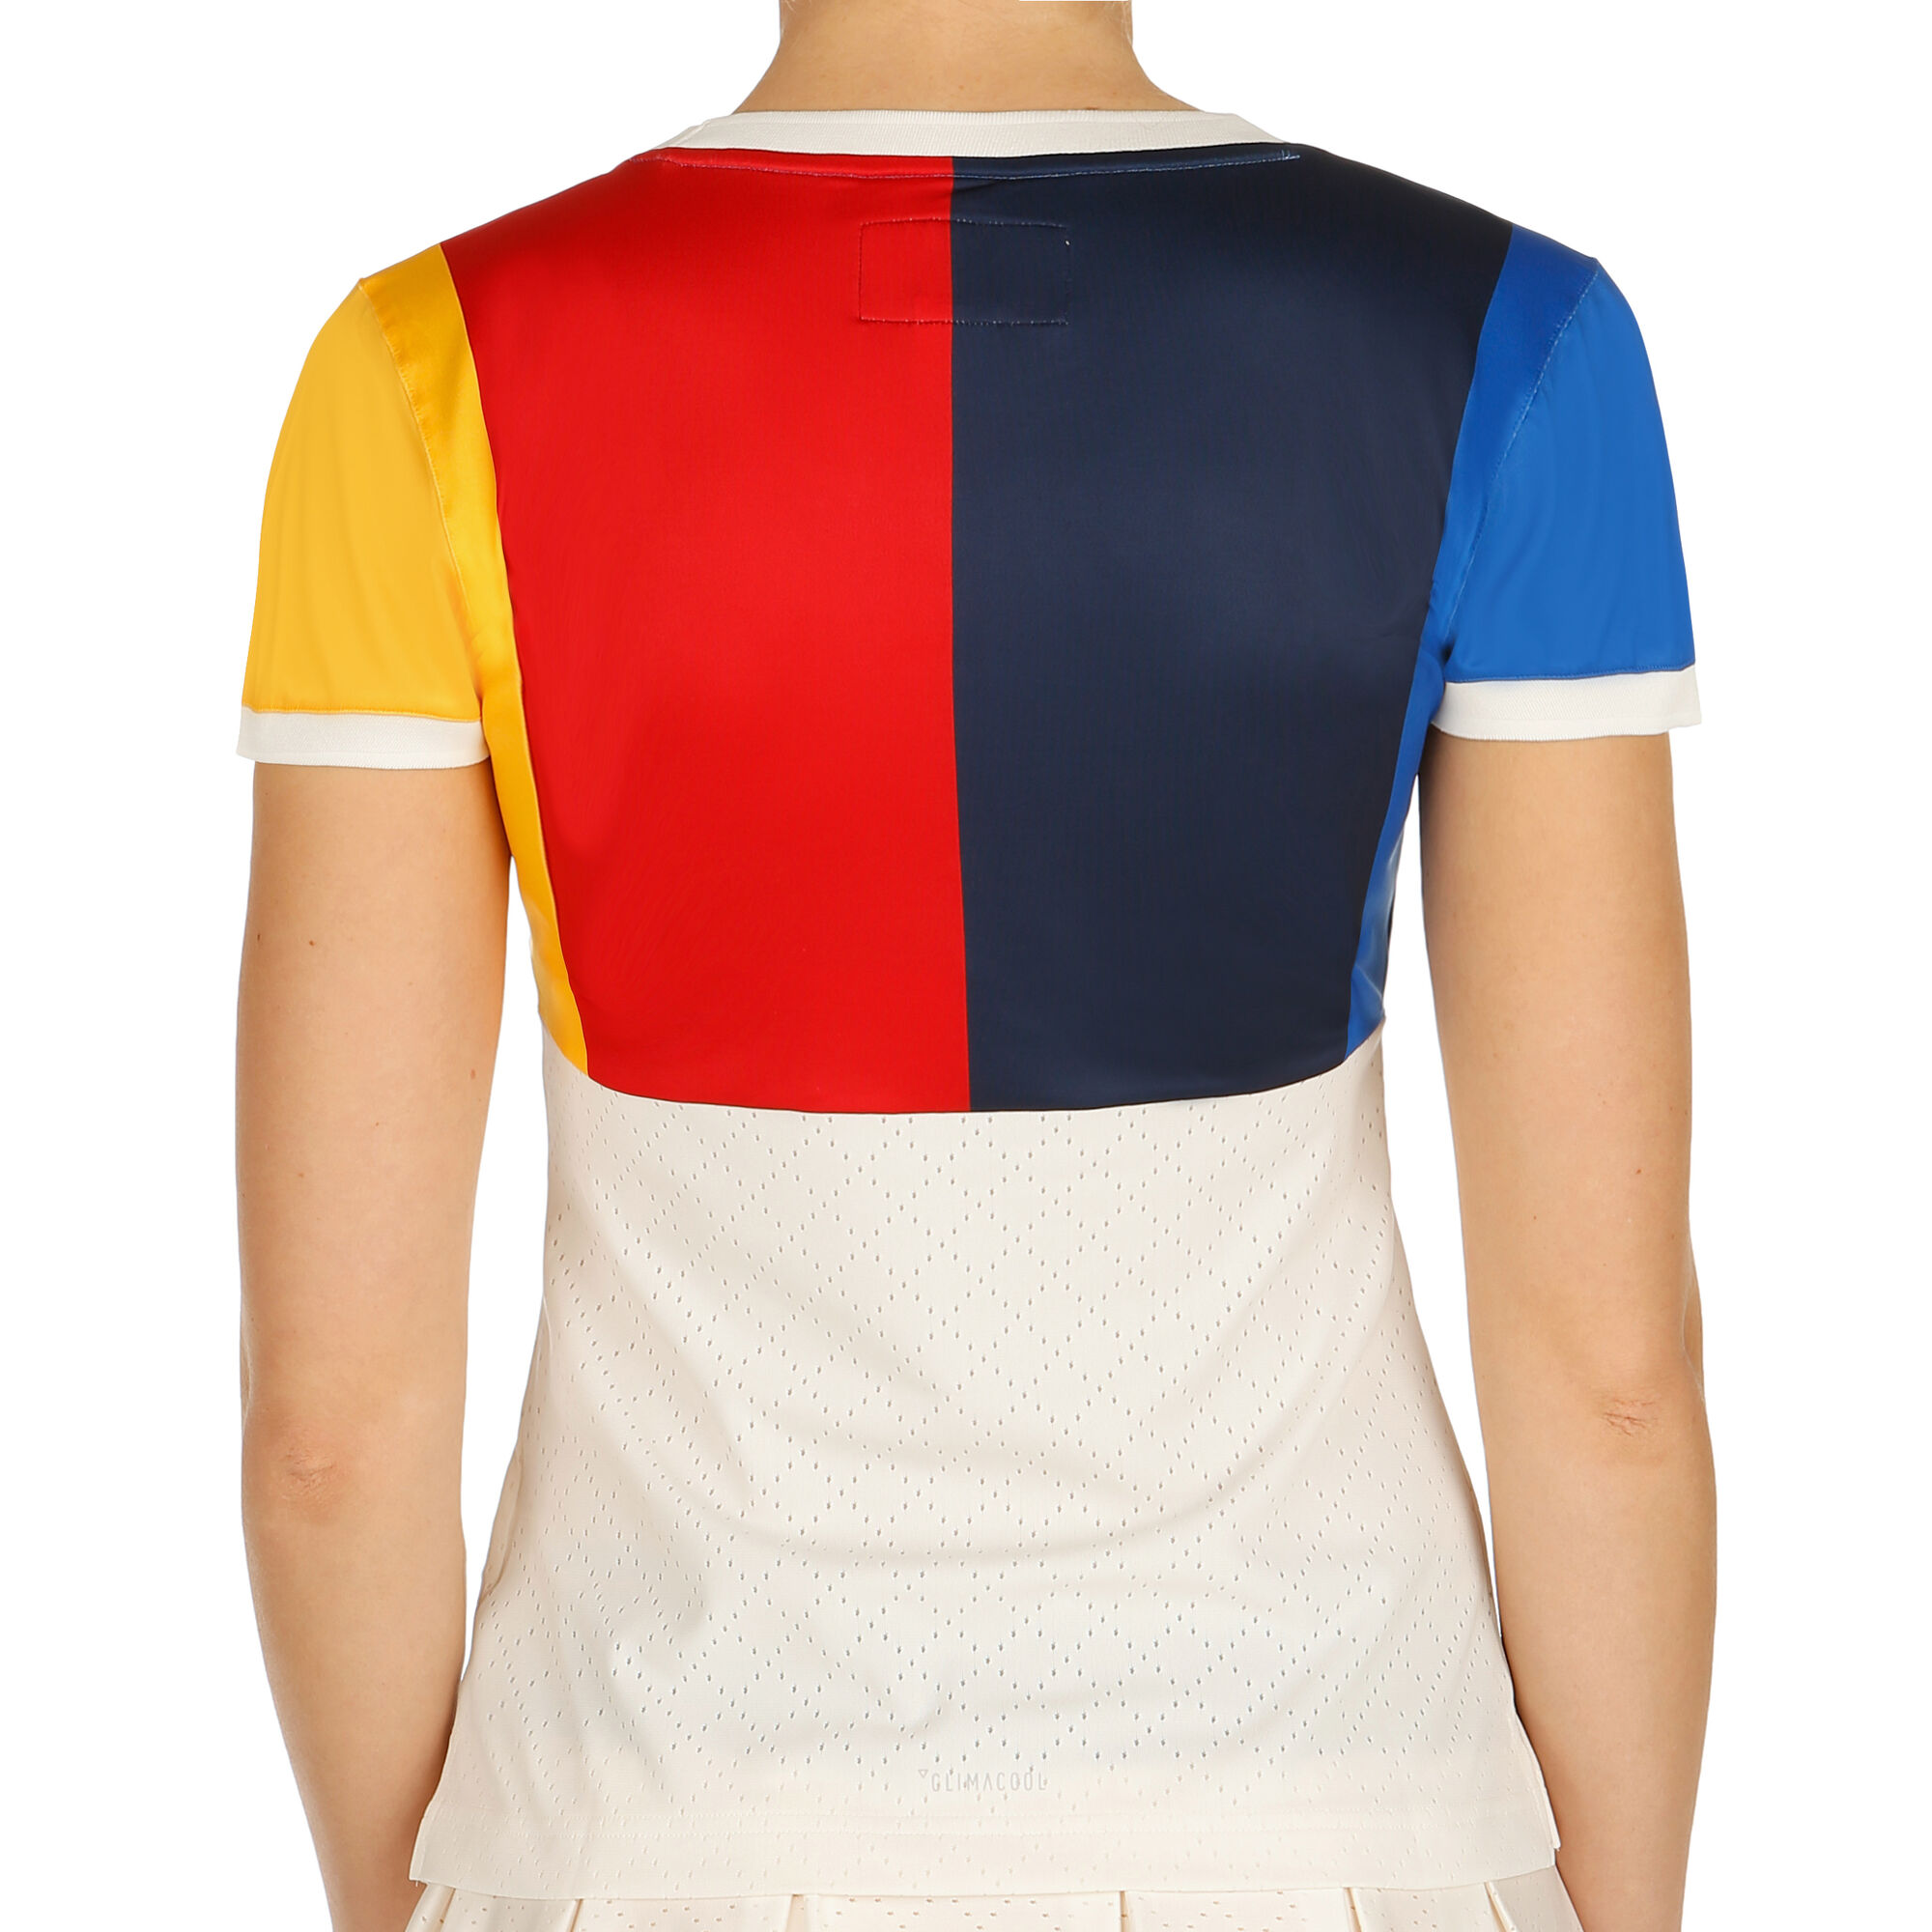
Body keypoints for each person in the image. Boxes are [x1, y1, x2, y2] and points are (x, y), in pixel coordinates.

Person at [234, 5, 1717, 1932]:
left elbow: (329, 1432)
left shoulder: (423, 367)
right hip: (1339, 1812)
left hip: (648, 1827)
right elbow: (1609, 1377)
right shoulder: (1512, 340)